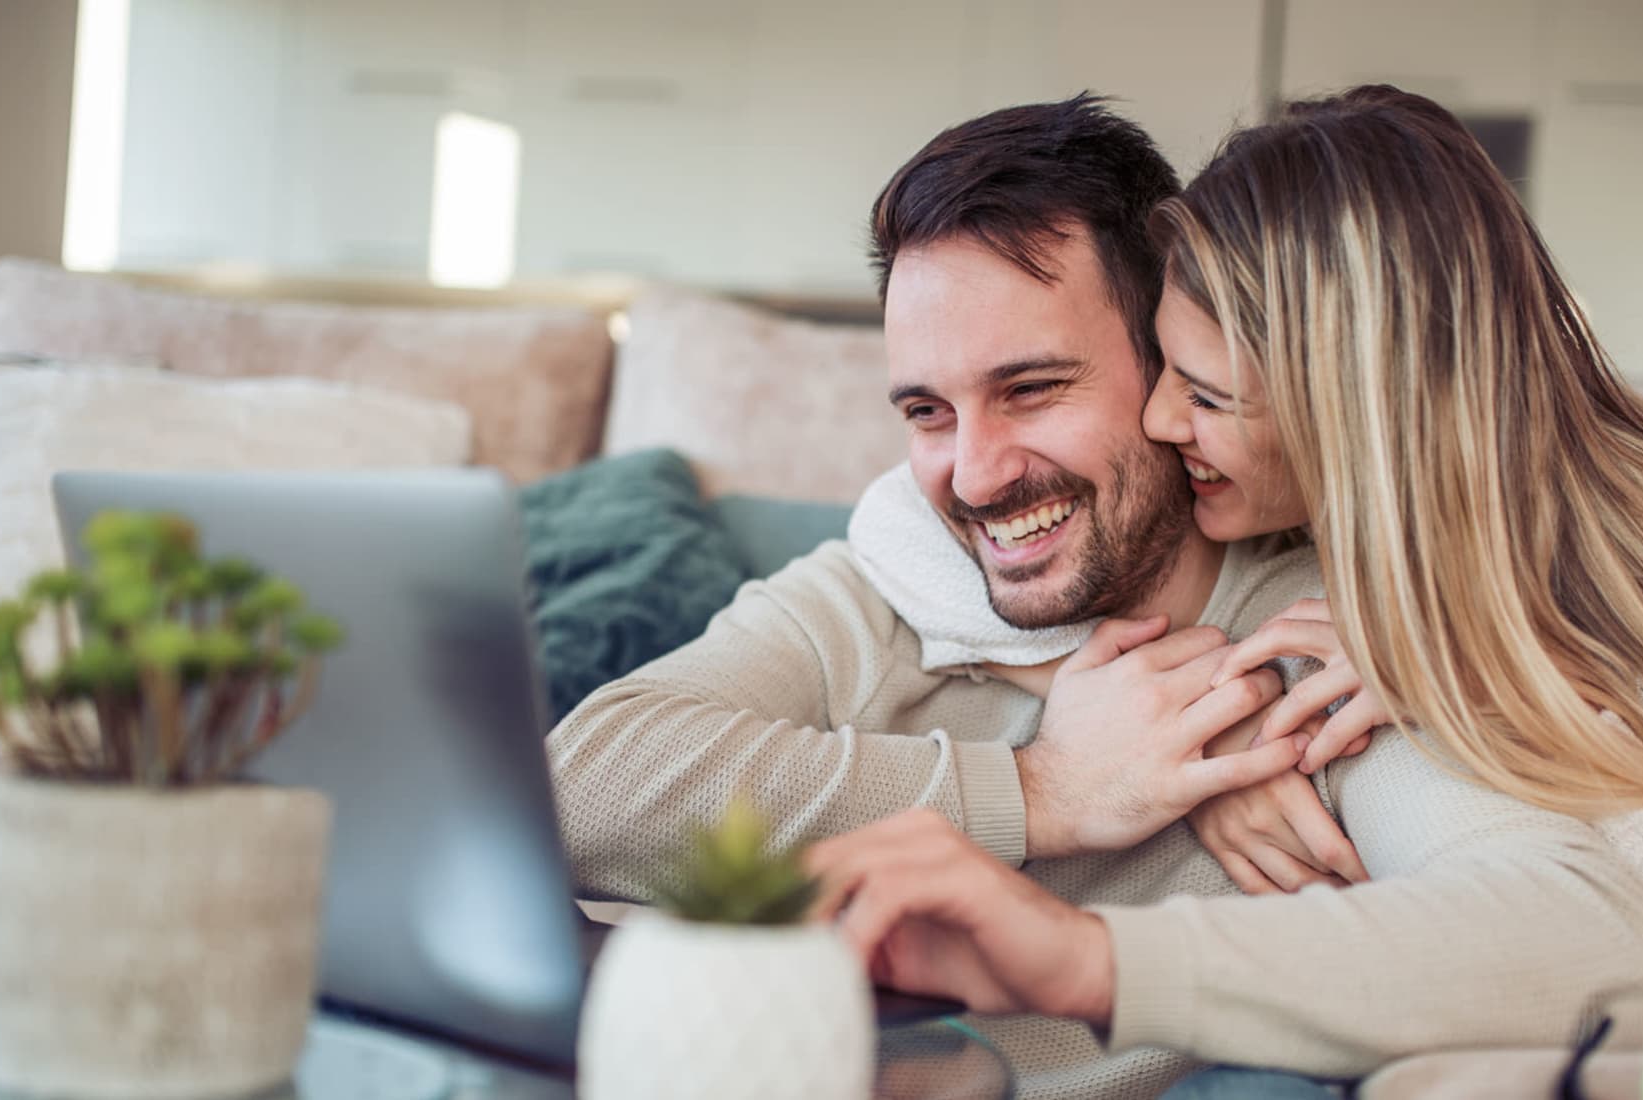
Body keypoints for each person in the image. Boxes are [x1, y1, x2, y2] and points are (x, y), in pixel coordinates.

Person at [809, 85, 1643, 1094]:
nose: (1160, 420)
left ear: (1342, 407)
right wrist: (1193, 737)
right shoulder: (1347, 533)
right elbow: (898, 523)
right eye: (1165, 368)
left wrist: (1482, 686)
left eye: (1203, 394)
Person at [549, 96, 1383, 1097]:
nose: (976, 476)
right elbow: (583, 786)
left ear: (1172, 355)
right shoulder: (885, 584)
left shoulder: (1336, 630)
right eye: (927, 411)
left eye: (1030, 388)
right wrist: (1041, 789)